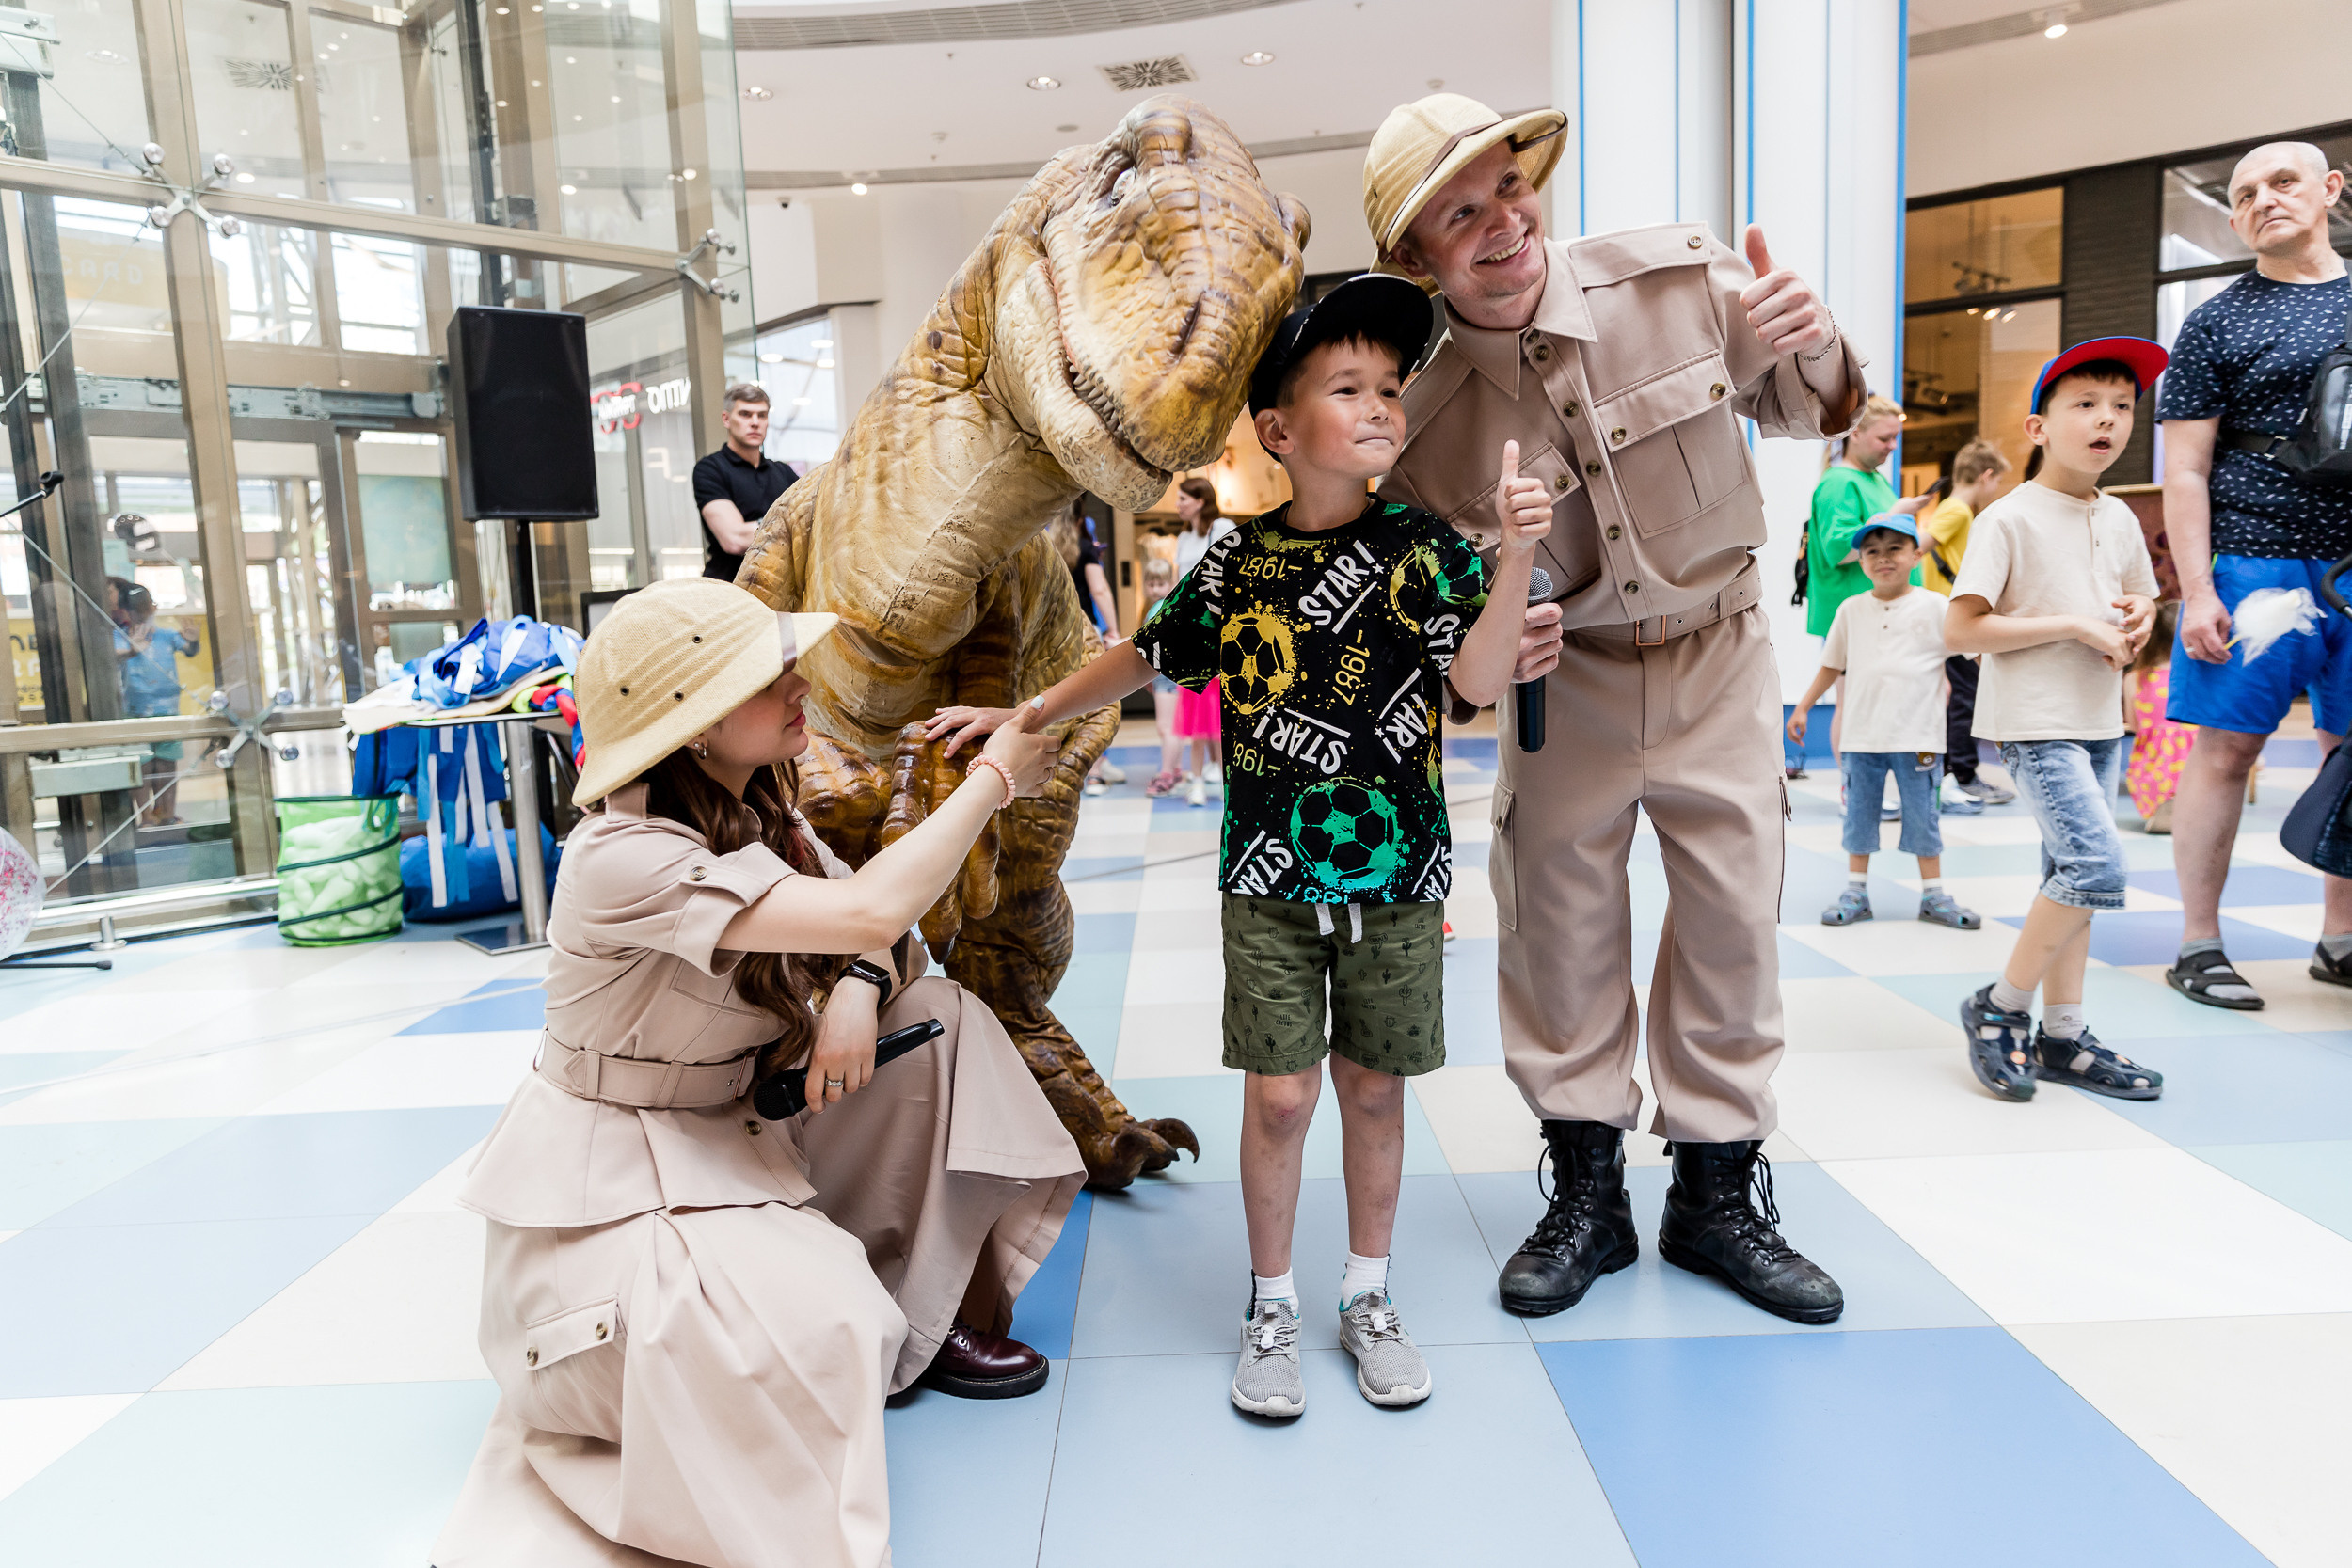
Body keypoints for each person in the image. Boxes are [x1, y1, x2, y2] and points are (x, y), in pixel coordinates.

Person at [927, 273, 1544, 1418]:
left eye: (1389, 387)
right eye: (1346, 386)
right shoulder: (1234, 563)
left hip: (1398, 873)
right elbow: (1146, 657)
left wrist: (1510, 557)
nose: (1379, 406)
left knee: (1371, 1090)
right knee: (1278, 1100)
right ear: (1275, 428)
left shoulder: (1426, 549)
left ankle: (1368, 1291)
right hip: (1267, 879)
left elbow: (1474, 681)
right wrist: (1024, 715)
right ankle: (1272, 1301)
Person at [432, 578, 1083, 1568]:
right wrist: (990, 777)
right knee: (825, 1328)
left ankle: (930, 1307)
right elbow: (869, 911)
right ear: (688, 725)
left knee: (937, 1020)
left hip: (736, 1127)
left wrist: (859, 990)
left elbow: (886, 939)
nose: (796, 685)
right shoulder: (621, 854)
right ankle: (854, 1314)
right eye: (760, 677)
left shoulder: (760, 810)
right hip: (616, 1186)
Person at [1367, 92, 1862, 1325]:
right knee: (1559, 923)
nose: (1498, 225)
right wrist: (1487, 614)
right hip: (1563, 688)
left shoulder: (1675, 281)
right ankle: (1586, 1189)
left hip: (1717, 654)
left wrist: (1809, 336)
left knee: (1736, 917)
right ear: (1419, 257)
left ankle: (1717, 1191)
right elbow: (1431, 619)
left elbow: (1817, 406)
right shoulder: (1422, 430)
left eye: (1506, 191)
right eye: (1457, 214)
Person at [2156, 140, 2352, 1010]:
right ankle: (2199, 941)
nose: (2265, 199)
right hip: (2254, 556)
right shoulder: (2215, 321)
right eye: (2245, 194)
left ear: (2331, 189)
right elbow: (2186, 470)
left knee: (2349, 749)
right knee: (2227, 748)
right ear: (2234, 221)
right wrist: (2197, 589)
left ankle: (2339, 936)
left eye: (2284, 181)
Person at [1947, 340, 2168, 1105]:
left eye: (2121, 406)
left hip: (2099, 718)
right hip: (2037, 721)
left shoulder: (2121, 519)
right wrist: (2074, 625)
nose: (2106, 419)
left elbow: (2139, 600)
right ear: (2039, 427)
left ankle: (2064, 1035)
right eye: (2086, 404)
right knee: (2095, 868)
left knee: (2067, 877)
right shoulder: (2009, 518)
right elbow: (1963, 630)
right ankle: (2000, 1006)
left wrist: (2140, 614)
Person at [1787, 514, 1981, 931]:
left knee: (1923, 817)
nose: (1883, 559)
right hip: (1861, 737)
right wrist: (1802, 707)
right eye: (1871, 552)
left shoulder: (1936, 607)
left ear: (1916, 554)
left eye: (1894, 549)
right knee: (1859, 815)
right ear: (1860, 562)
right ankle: (1856, 891)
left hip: (1921, 737)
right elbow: (1831, 665)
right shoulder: (1850, 610)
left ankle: (1934, 895)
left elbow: (1975, 655)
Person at [1922, 438, 2018, 806]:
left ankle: (1956, 772)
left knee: (1962, 696)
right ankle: (1961, 775)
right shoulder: (1959, 511)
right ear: (1987, 476)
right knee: (1966, 698)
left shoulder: (1952, 508)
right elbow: (1919, 545)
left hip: (1946, 617)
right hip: (1953, 619)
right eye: (1997, 482)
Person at [110, 578, 199, 824]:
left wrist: (192, 641)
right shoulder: (119, 638)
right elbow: (108, 657)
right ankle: (146, 814)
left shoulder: (166, 636)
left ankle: (166, 812)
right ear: (126, 613)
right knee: (142, 765)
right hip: (136, 711)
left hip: (168, 710)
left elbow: (189, 649)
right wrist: (130, 650)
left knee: (167, 765)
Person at [1169, 477, 1234, 807]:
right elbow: (1176, 587)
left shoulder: (1222, 527)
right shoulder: (1183, 537)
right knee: (1196, 713)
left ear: (1199, 500)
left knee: (1220, 714)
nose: (1178, 504)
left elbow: (1234, 578)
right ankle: (1198, 778)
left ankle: (1223, 780)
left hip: (1220, 635)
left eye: (1183, 498)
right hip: (1190, 633)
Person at [691, 382, 797, 581]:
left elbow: (812, 526)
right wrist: (791, 526)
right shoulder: (710, 469)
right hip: (730, 588)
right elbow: (734, 539)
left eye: (762, 415)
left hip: (781, 586)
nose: (755, 422)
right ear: (726, 419)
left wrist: (757, 528)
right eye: (745, 414)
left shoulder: (784, 473)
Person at [2126, 602, 2193, 834]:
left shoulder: (2135, 678)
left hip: (2153, 761)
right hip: (2192, 759)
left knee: (2147, 770)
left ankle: (2159, 807)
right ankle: (2188, 809)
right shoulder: (2197, 678)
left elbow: (2134, 725)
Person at [1137, 554, 1185, 797]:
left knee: (1168, 727)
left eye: (1161, 584)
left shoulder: (1162, 608)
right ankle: (1174, 769)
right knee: (1169, 727)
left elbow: (1151, 644)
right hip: (1163, 675)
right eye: (1151, 584)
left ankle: (1166, 773)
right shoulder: (1162, 607)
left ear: (1171, 583)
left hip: (1167, 675)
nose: (1156, 589)